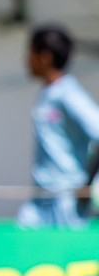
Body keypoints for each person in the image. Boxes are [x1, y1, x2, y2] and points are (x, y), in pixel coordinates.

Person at [19, 24, 99, 228]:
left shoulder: (69, 93)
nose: (26, 60)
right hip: (40, 197)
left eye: (30, 53)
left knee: (66, 257)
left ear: (44, 57)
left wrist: (87, 184)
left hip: (66, 199)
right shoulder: (47, 93)